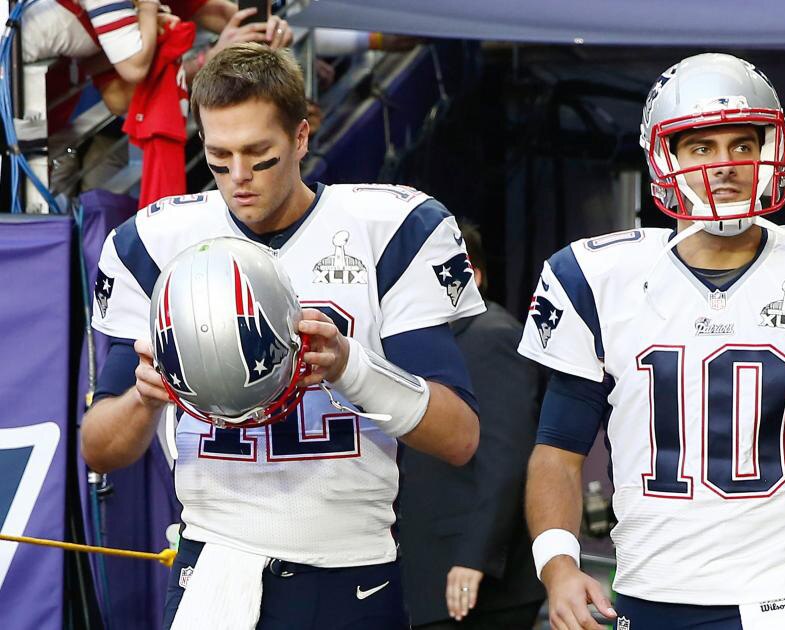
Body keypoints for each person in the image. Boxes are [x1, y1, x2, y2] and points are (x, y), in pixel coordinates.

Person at [518, 53, 785, 630]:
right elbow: (558, 452)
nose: (726, 165)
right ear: (667, 158)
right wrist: (557, 564)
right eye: (702, 147)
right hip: (648, 594)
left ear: (771, 151)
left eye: (743, 145)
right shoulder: (595, 278)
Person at [80, 43, 483, 629]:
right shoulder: (155, 242)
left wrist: (352, 367)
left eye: (258, 155)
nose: (238, 179)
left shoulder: (388, 231)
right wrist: (144, 399)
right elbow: (99, 447)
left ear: (300, 139)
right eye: (218, 158)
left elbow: (460, 437)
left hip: (350, 566)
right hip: (212, 561)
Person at [399, 222, 547, 629]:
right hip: (434, 574)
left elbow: (506, 458)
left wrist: (472, 557)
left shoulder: (491, 337)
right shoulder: (430, 345)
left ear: (472, 276)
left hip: (475, 583)